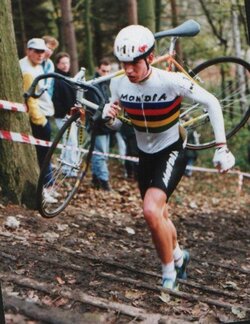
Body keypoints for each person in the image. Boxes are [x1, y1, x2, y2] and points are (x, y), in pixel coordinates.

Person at [102, 25, 235, 290]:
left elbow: (212, 102)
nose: (128, 70)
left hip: (171, 151)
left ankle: (169, 275)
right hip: (145, 156)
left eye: (135, 63)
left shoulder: (170, 80)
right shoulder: (117, 82)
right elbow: (116, 125)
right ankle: (179, 256)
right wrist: (109, 119)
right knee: (158, 216)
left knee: (151, 211)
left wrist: (222, 147)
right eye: (124, 63)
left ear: (150, 58)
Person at [19, 38, 57, 203]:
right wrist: (39, 119)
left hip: (44, 113)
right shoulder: (26, 69)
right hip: (38, 118)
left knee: (44, 155)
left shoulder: (38, 66)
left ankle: (47, 187)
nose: (40, 55)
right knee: (42, 155)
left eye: (42, 52)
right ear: (28, 51)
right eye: (37, 51)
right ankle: (43, 190)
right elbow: (30, 98)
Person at [86, 58, 115, 191]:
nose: (106, 73)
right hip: (97, 124)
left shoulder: (108, 83)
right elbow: (95, 107)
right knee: (100, 155)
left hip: (106, 125)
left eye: (108, 71)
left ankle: (96, 179)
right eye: (103, 71)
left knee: (101, 154)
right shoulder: (93, 85)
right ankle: (104, 182)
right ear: (98, 69)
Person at [52, 52, 78, 177]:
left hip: (71, 115)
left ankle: (67, 167)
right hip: (62, 116)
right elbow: (55, 99)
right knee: (71, 141)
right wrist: (64, 113)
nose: (65, 65)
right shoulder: (56, 79)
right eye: (62, 63)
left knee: (70, 141)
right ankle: (69, 169)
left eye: (67, 63)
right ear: (58, 64)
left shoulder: (69, 78)